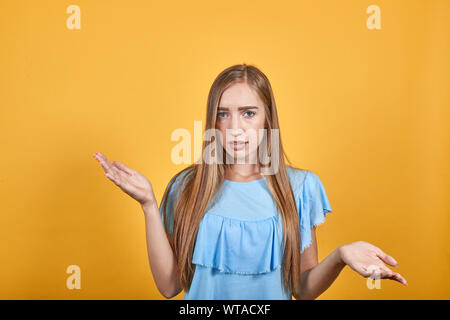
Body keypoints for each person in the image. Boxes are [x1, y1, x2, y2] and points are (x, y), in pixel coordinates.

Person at [93, 63, 408, 300]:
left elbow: (302, 289)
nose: (234, 127)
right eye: (223, 114)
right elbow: (169, 286)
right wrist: (148, 204)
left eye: (248, 113)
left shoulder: (301, 188)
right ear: (212, 120)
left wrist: (340, 255)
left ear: (267, 119)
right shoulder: (186, 186)